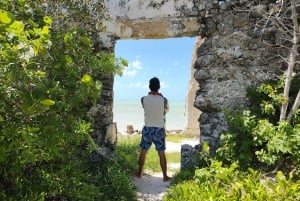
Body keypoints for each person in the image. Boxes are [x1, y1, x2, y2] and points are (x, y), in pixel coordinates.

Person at [135, 77, 171, 181]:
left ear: (149, 87)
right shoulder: (164, 100)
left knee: (143, 152)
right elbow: (165, 111)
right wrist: (161, 97)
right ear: (159, 87)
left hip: (147, 129)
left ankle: (139, 173)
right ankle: (165, 176)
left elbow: (145, 107)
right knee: (161, 153)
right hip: (159, 129)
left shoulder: (143, 99)